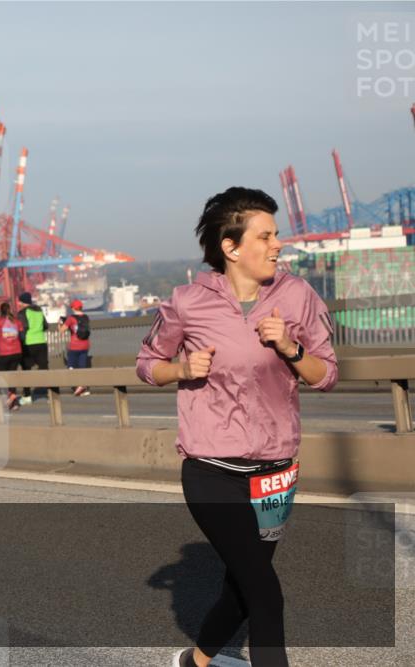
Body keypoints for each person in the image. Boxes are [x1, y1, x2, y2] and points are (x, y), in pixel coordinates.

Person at [133, 187, 338, 667]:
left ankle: (198, 661)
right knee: (266, 592)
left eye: (276, 235)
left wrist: (291, 348)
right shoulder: (187, 302)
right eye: (264, 236)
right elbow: (147, 364)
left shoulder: (297, 296)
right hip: (212, 469)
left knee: (244, 586)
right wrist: (181, 371)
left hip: (274, 476)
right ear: (231, 247)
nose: (276, 245)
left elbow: (327, 375)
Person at [16, 291, 52, 404]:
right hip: (41, 342)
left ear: (22, 302)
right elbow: (46, 326)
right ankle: (49, 396)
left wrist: (20, 342)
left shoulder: (22, 313)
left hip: (29, 343)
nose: (18, 303)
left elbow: (23, 328)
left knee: (26, 370)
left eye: (19, 301)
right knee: (44, 369)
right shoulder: (39, 310)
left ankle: (27, 397)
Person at [0, 301, 24, 410]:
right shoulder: (17, 322)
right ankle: (13, 400)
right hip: (17, 353)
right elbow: (23, 337)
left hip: (4, 354)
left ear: (1, 311)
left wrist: (0, 334)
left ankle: (0, 400)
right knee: (11, 376)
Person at [60, 299, 91, 396]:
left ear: (73, 308)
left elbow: (62, 330)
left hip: (74, 346)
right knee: (82, 366)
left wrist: (60, 323)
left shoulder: (71, 318)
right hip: (85, 345)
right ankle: (83, 387)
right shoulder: (86, 317)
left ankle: (78, 386)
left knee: (71, 367)